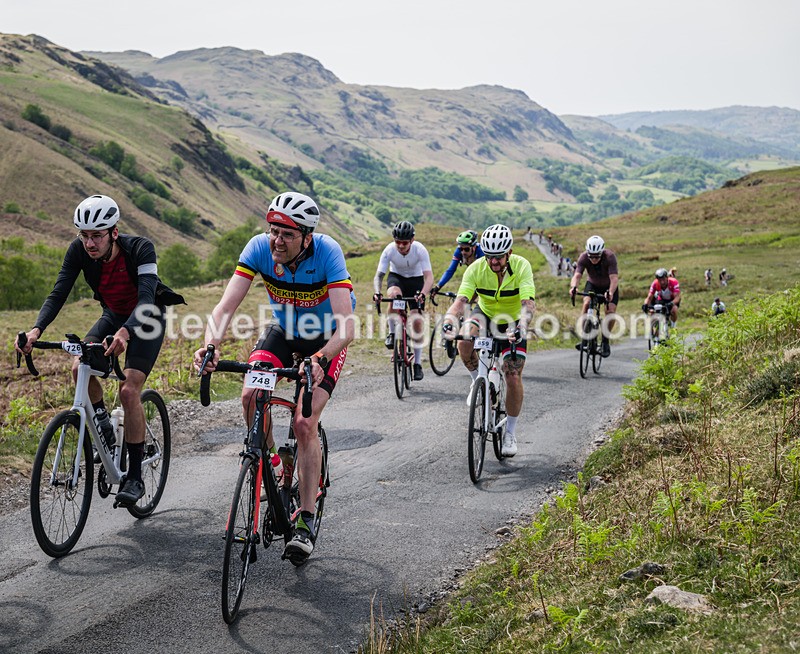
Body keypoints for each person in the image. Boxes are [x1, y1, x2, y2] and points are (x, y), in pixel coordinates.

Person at [193, 191, 355, 563]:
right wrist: (211, 345)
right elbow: (225, 306)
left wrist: (320, 358)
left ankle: (306, 521)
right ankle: (272, 464)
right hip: (283, 331)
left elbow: (346, 326)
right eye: (272, 232)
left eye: (286, 235)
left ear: (307, 237)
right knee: (251, 395)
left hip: (325, 339)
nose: (276, 241)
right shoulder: (258, 249)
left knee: (303, 422)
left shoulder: (328, 252)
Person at [15, 194, 184, 506]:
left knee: (129, 391)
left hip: (147, 319)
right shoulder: (78, 250)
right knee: (79, 367)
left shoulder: (141, 248)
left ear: (113, 233)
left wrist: (125, 332)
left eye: (96, 236)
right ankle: (104, 426)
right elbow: (58, 292)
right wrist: (37, 329)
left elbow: (146, 299)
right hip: (113, 314)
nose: (89, 243)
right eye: (84, 235)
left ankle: (134, 476)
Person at [442, 224, 535, 457]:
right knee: (464, 340)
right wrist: (449, 320)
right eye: (490, 256)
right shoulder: (475, 269)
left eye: (499, 257)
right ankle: (477, 382)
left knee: (512, 374)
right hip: (484, 314)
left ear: (509, 253)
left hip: (512, 319)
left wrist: (522, 327)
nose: (493, 262)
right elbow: (462, 300)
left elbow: (528, 304)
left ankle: (510, 433)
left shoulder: (522, 266)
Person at [373, 221, 434, 381]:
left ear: (412, 240)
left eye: (404, 243)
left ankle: (418, 363)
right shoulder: (389, 250)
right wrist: (377, 292)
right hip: (397, 278)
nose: (400, 246)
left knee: (417, 321)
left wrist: (423, 293)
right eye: (397, 242)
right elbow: (379, 275)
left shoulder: (420, 250)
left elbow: (429, 277)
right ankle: (392, 333)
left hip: (416, 281)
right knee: (393, 296)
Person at [569, 235, 619, 358]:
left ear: (602, 253)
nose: (594, 259)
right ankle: (585, 338)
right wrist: (574, 287)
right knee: (586, 304)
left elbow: (614, 278)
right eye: (591, 256)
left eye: (597, 256)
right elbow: (577, 275)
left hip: (609, 286)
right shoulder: (583, 257)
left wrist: (611, 292)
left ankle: (605, 341)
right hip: (592, 284)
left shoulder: (610, 257)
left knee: (610, 311)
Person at [430, 230, 484, 298]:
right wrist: (438, 286)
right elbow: (450, 270)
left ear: (474, 247)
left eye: (466, 249)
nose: (463, 252)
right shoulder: (458, 251)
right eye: (461, 248)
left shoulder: (481, 252)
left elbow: (484, 274)